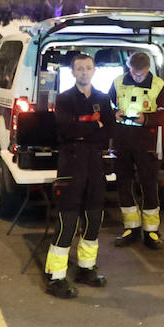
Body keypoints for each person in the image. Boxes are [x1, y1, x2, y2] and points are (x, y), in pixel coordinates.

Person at [45, 53, 115, 299]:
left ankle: (86, 269)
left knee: (94, 217)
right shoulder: (64, 99)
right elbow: (67, 129)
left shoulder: (102, 98)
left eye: (88, 68)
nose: (84, 72)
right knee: (67, 221)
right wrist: (94, 126)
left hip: (95, 165)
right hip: (71, 165)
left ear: (94, 70)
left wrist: (86, 129)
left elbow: (109, 130)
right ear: (73, 72)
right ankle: (56, 277)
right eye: (79, 69)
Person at [109, 51, 164, 250]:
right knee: (123, 185)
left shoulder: (158, 85)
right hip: (122, 141)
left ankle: (151, 231)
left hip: (146, 143)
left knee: (149, 186)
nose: (137, 77)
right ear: (129, 68)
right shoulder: (118, 82)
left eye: (141, 75)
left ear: (148, 69)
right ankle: (131, 228)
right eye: (134, 74)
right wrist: (113, 114)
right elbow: (106, 104)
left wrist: (147, 119)